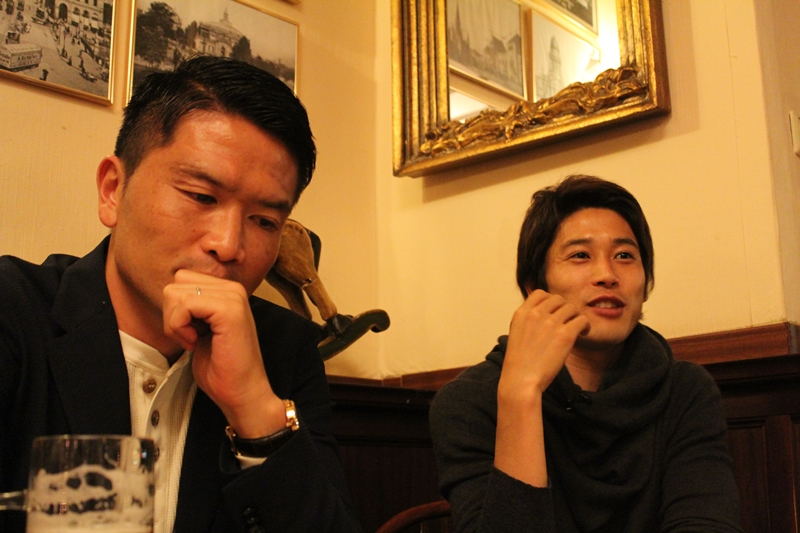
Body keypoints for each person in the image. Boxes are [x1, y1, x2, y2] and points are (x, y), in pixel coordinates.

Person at [0, 56, 362, 533]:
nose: (228, 245)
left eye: (264, 221)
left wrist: (254, 408)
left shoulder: (284, 351)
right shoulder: (13, 310)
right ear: (113, 190)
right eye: (201, 196)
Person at [429, 175, 742, 532]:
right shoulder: (469, 402)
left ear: (646, 284)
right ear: (535, 287)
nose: (607, 275)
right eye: (580, 255)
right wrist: (521, 396)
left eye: (624, 256)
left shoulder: (684, 391)